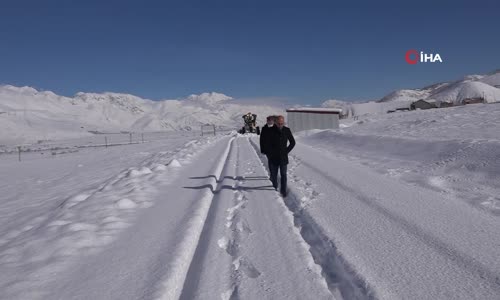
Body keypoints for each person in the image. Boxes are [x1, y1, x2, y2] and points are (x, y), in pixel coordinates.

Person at [267, 115, 295, 197]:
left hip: (283, 158)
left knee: (284, 175)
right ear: (275, 123)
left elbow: (293, 142)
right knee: (274, 175)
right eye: (279, 123)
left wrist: (286, 151)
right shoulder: (270, 131)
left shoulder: (287, 130)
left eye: (282, 123)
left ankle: (283, 191)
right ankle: (274, 190)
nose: (280, 125)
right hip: (273, 157)